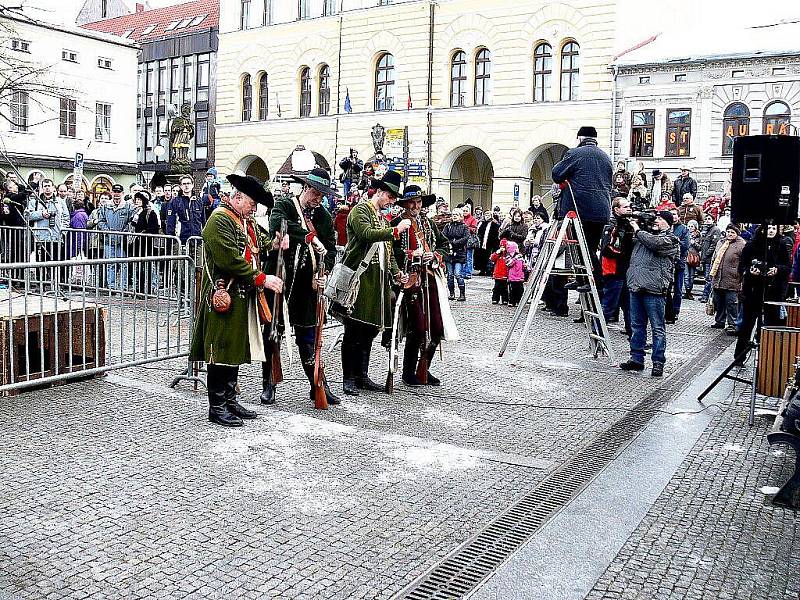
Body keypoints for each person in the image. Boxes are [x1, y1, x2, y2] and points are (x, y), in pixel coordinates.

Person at [189, 174, 285, 427]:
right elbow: (229, 259)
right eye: (252, 203)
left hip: (241, 295)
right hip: (224, 293)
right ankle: (217, 406)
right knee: (220, 350)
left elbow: (258, 245)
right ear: (238, 197)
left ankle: (230, 400)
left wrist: (275, 242)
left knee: (234, 349)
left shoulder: (243, 220)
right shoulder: (220, 220)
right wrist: (263, 279)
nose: (255, 209)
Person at [261, 167, 340, 407]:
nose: (319, 199)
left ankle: (318, 384)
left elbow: (330, 249)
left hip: (307, 286)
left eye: (322, 196)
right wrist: (308, 237)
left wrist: (322, 272)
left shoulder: (323, 216)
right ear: (306, 188)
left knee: (308, 337)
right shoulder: (284, 205)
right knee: (272, 334)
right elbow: (279, 224)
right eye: (316, 193)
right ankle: (269, 384)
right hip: (279, 280)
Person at [339, 170, 410, 396]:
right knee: (353, 330)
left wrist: (397, 273)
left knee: (369, 330)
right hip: (361, 279)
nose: (391, 202)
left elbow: (386, 252)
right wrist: (395, 230)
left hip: (378, 282)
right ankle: (348, 378)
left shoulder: (381, 216)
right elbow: (367, 234)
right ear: (379, 192)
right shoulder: (361, 210)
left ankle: (362, 375)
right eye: (389, 197)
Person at [391, 185, 457, 386]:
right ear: (404, 204)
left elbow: (445, 246)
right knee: (418, 328)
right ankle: (408, 372)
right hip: (409, 281)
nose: (415, 206)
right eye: (411, 202)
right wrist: (411, 255)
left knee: (436, 327)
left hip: (430, 278)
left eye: (418, 202)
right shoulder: (396, 223)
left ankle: (424, 369)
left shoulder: (429, 223)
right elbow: (391, 252)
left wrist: (435, 255)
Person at [551, 125, 613, 289]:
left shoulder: (575, 153)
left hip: (580, 208)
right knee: (590, 247)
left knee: (582, 247)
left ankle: (597, 282)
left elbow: (557, 174)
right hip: (602, 210)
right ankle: (583, 280)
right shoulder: (606, 157)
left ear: (580, 138)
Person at [619, 211, 679, 377]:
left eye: (659, 219)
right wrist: (630, 223)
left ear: (668, 223)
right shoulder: (643, 235)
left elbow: (655, 244)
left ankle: (658, 362)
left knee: (657, 328)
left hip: (655, 290)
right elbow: (626, 245)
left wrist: (638, 229)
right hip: (636, 287)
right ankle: (636, 359)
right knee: (636, 326)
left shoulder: (671, 239)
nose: (656, 221)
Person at [733, 224, 792, 365]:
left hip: (773, 292)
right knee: (747, 324)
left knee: (771, 325)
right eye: (769, 228)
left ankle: (769, 358)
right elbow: (742, 266)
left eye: (774, 229)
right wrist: (749, 271)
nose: (771, 231)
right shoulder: (752, 245)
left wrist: (777, 270)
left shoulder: (781, 245)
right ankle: (740, 356)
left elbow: (787, 267)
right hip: (753, 291)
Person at [599, 198, 634, 335]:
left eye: (630, 206)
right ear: (616, 209)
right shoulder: (611, 226)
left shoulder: (628, 225)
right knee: (609, 306)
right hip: (614, 272)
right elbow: (606, 249)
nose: (629, 209)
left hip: (626, 272)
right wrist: (625, 253)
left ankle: (634, 338)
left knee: (630, 307)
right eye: (625, 207)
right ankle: (598, 335)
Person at [97, 183, 134, 292]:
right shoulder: (105, 206)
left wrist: (125, 231)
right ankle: (111, 287)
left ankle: (124, 287)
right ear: (112, 193)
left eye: (119, 193)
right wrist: (106, 230)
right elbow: (101, 220)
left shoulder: (128, 207)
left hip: (123, 241)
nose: (117, 195)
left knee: (124, 264)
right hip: (109, 240)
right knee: (110, 264)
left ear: (122, 193)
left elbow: (131, 222)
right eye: (115, 192)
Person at [709, 224, 745, 334]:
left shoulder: (742, 245)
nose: (730, 234)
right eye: (728, 231)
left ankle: (733, 323)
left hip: (733, 279)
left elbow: (744, 263)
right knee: (719, 301)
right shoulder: (721, 242)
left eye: (732, 232)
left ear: (737, 233)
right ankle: (720, 321)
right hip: (718, 277)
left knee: (732, 303)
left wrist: (740, 276)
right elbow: (715, 257)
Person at [166, 175, 208, 245]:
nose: (186, 186)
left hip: (197, 240)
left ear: (192, 185)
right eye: (184, 184)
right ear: (181, 186)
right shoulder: (175, 202)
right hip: (180, 240)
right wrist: (171, 240)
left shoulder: (199, 201)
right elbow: (170, 222)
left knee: (198, 256)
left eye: (188, 183)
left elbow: (203, 220)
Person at [442, 207, 470, 302]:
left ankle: (462, 294)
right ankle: (451, 293)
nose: (454, 216)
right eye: (453, 215)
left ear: (460, 216)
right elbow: (443, 237)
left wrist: (455, 242)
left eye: (456, 215)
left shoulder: (464, 227)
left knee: (458, 274)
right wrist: (450, 243)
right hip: (449, 253)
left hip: (459, 253)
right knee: (450, 275)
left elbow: (466, 238)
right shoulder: (448, 226)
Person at [666, 208, 689, 323]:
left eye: (675, 214)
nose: (673, 216)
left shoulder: (683, 229)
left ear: (679, 216)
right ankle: (666, 311)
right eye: (671, 214)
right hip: (667, 263)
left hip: (679, 263)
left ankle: (675, 311)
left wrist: (671, 242)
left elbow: (685, 245)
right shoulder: (665, 227)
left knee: (678, 290)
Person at [698, 214, 722, 303]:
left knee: (709, 278)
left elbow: (713, 245)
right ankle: (705, 295)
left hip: (709, 258)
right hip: (704, 258)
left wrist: (706, 254)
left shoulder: (715, 230)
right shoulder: (706, 230)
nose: (707, 220)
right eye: (706, 219)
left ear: (713, 220)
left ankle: (706, 296)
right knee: (706, 278)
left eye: (709, 219)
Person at [476, 209, 500, 275]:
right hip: (482, 243)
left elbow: (496, 234)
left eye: (488, 215)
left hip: (491, 243)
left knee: (490, 257)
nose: (487, 216)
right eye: (486, 214)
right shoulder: (481, 223)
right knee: (482, 256)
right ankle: (482, 270)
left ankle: (489, 270)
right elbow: (479, 232)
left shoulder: (495, 224)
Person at [683, 219, 701, 299]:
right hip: (686, 256)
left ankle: (690, 290)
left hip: (693, 257)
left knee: (692, 276)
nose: (690, 228)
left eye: (692, 226)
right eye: (689, 226)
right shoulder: (685, 234)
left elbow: (700, 247)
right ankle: (687, 291)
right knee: (686, 275)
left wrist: (694, 243)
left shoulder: (698, 235)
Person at [505, 241, 526, 307]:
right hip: (513, 277)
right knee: (512, 290)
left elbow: (524, 265)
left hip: (520, 277)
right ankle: (512, 301)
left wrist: (525, 266)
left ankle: (519, 301)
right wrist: (515, 259)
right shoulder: (508, 257)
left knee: (520, 290)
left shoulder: (520, 257)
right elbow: (508, 264)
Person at [461, 203, 478, 279]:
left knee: (469, 257)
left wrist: (465, 227)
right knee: (462, 257)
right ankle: (462, 272)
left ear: (469, 211)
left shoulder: (473, 219)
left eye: (466, 211)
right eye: (463, 211)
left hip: (469, 241)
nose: (464, 212)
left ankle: (468, 273)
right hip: (462, 241)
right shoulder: (461, 218)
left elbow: (474, 229)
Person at [490, 239, 509, 305]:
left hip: (505, 275)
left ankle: (505, 299)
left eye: (504, 247)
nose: (502, 248)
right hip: (497, 274)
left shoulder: (508, 255)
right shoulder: (498, 254)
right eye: (501, 247)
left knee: (504, 289)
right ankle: (495, 299)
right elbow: (492, 259)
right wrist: (497, 253)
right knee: (496, 288)